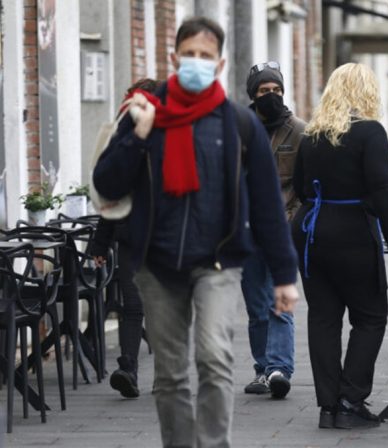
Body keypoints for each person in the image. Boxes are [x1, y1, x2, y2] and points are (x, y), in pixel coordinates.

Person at [92, 17, 299, 447]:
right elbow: (107, 184)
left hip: (218, 261)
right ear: (174, 57)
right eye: (190, 55)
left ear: (219, 64)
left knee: (215, 358)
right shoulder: (144, 114)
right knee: (169, 374)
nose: (197, 63)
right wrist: (139, 136)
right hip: (158, 263)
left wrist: (284, 276)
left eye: (206, 57)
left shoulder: (238, 124)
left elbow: (266, 203)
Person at [291, 63, 388, 430]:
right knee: (371, 316)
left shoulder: (311, 134)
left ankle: (328, 407)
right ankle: (350, 398)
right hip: (353, 232)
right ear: (367, 92)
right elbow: (381, 188)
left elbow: (298, 185)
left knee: (323, 318)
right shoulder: (370, 132)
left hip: (312, 232)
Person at [88, 78, 161, 399]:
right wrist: (100, 244)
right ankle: (128, 368)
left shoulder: (165, 139)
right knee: (135, 305)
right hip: (135, 236)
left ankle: (161, 374)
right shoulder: (124, 142)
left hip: (161, 238)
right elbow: (110, 198)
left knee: (151, 307)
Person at [240, 61, 306, 398]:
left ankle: (280, 368)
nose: (271, 96)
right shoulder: (239, 128)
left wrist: (296, 218)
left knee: (280, 299)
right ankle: (263, 367)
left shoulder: (299, 131)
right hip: (249, 230)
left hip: (283, 230)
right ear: (252, 94)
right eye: (265, 91)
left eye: (276, 90)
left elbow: (306, 184)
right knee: (256, 304)